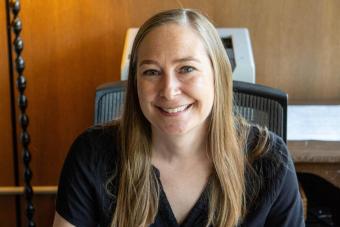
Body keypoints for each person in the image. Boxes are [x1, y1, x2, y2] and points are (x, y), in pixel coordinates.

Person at [53, 8, 305, 227]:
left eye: (187, 69)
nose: (169, 90)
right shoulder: (93, 153)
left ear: (218, 76)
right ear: (135, 84)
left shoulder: (269, 160)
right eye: (151, 72)